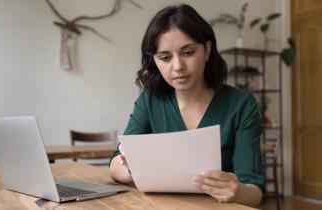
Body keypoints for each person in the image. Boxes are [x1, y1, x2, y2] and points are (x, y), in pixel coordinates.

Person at [109, 4, 263, 207]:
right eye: (165, 57)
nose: (178, 67)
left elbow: (254, 192)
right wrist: (130, 167)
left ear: (207, 50)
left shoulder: (241, 104)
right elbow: (115, 167)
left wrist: (238, 191)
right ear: (155, 61)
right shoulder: (150, 100)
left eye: (188, 52)